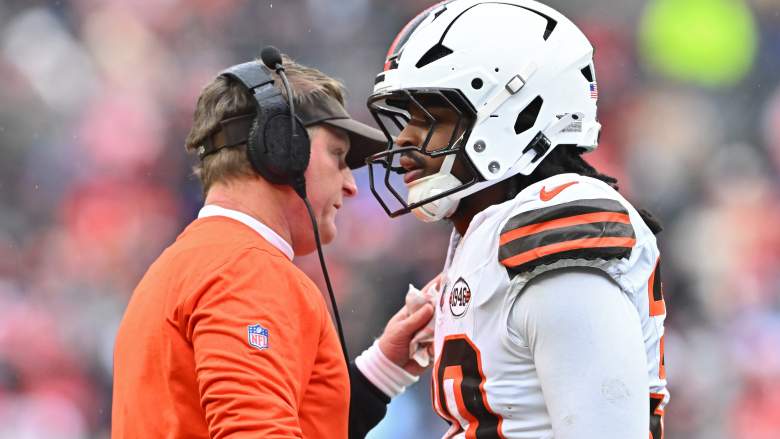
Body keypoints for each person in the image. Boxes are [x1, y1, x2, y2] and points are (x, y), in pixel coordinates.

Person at [364, 1, 669, 438]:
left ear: (517, 116)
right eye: (408, 116)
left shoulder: (552, 229)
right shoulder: (488, 233)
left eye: (432, 114)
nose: (407, 136)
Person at [112, 54, 433, 439]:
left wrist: (385, 367)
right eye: (338, 156)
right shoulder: (246, 269)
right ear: (282, 149)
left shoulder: (180, 267)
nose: (350, 185)